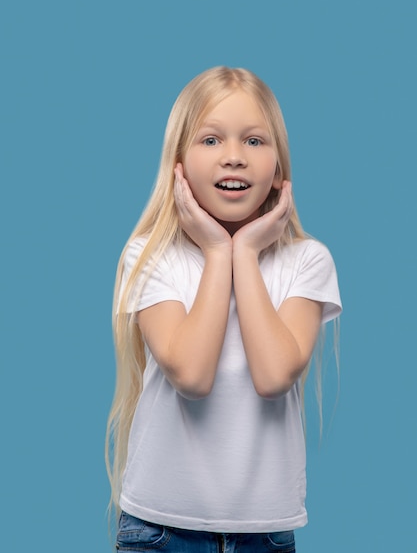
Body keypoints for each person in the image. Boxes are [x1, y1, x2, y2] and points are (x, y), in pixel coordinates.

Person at [106, 66, 342, 552]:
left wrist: (246, 254)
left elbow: (274, 375)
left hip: (265, 535)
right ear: (179, 165)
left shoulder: (307, 261)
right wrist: (218, 252)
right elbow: (191, 376)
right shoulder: (150, 256)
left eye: (254, 142)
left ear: (279, 168)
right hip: (159, 531)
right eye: (211, 140)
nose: (233, 157)